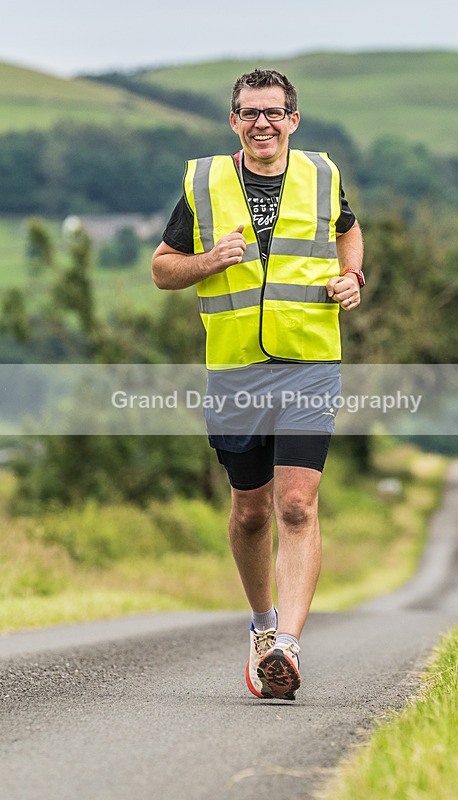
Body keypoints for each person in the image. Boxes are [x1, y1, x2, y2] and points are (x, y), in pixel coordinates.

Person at [152, 68, 364, 701]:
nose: (262, 123)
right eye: (249, 113)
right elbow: (162, 270)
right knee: (249, 513)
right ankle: (263, 629)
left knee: (297, 505)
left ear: (293, 121)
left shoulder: (323, 176)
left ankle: (289, 649)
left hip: (309, 364)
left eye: (273, 113)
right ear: (233, 121)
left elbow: (347, 230)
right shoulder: (205, 184)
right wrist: (207, 262)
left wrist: (354, 277)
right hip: (238, 370)